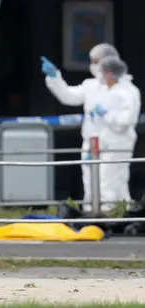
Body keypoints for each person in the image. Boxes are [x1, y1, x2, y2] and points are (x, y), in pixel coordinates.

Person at [40, 43, 122, 212]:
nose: (92, 65)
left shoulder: (123, 88)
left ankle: (116, 216)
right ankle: (91, 215)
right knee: (90, 183)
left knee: (111, 183)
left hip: (114, 145)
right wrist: (55, 77)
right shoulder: (90, 86)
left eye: (96, 61)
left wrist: (106, 115)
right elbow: (68, 96)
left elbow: (124, 120)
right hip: (90, 144)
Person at [90, 56, 141, 212]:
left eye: (102, 72)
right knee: (116, 181)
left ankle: (110, 214)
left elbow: (125, 120)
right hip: (110, 142)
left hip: (119, 142)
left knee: (109, 180)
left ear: (110, 74)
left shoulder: (127, 92)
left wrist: (106, 114)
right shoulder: (113, 91)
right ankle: (122, 213)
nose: (100, 76)